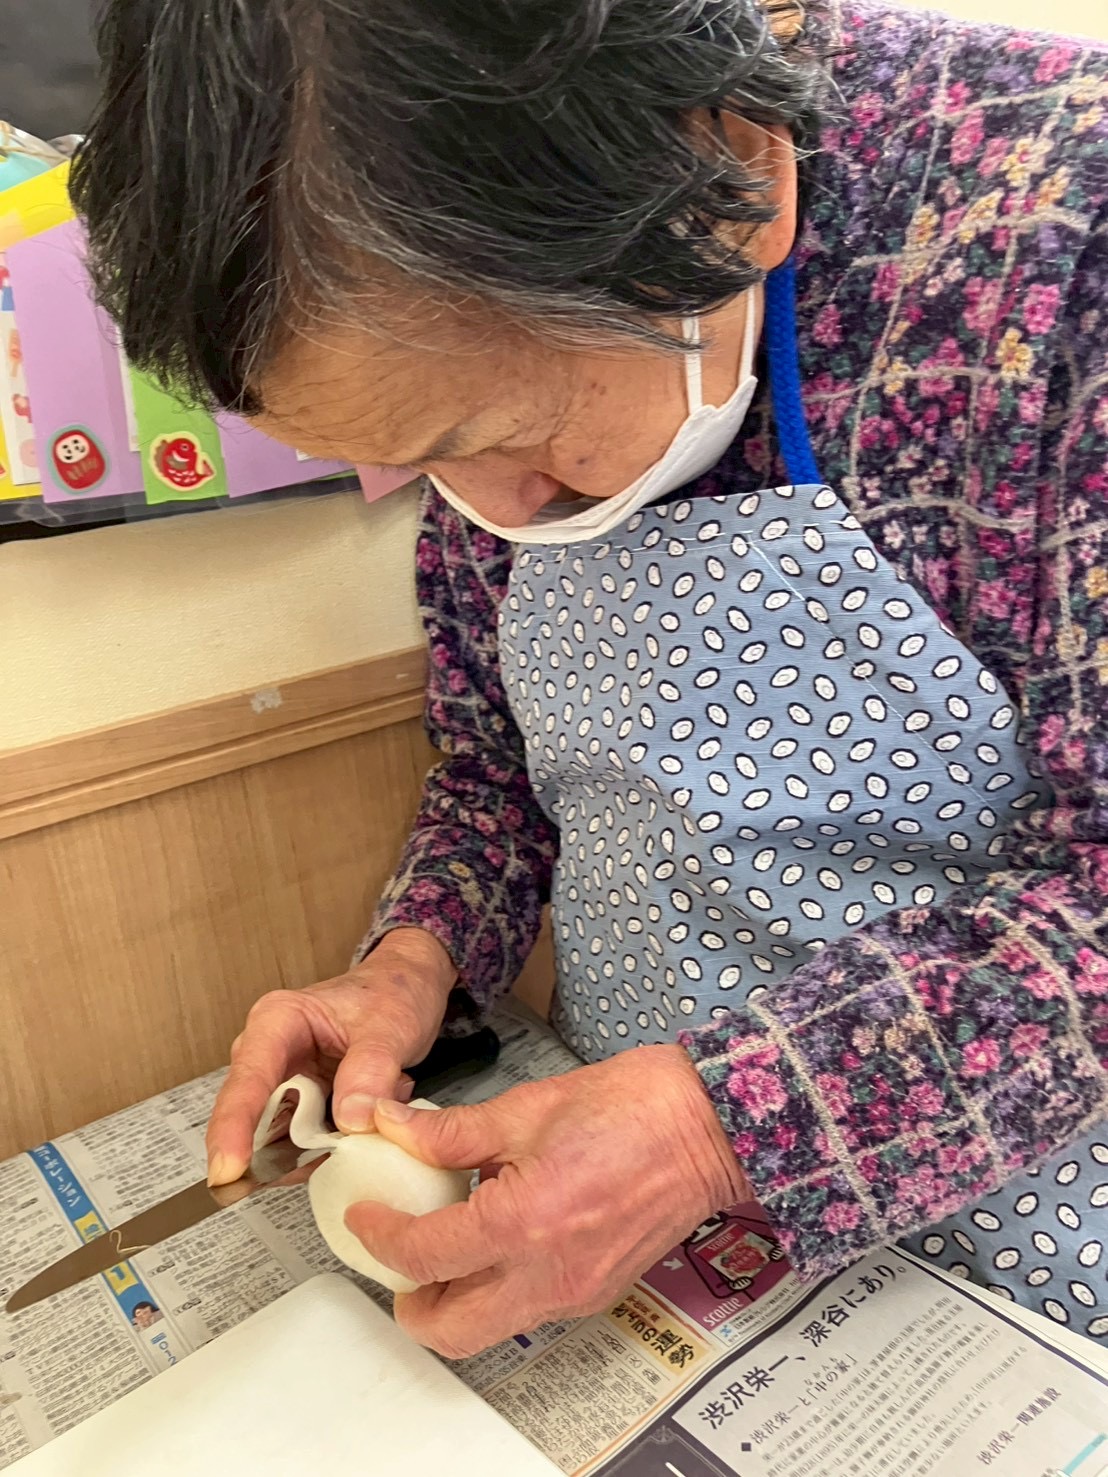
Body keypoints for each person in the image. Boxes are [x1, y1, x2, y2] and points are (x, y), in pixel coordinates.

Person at [72, 0, 1106, 1358]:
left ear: (733, 172)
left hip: (1035, 1273)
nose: (492, 512)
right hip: (648, 1248)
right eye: (417, 463)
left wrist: (714, 1128)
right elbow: (502, 771)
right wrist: (417, 958)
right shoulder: (481, 385)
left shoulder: (1056, 230)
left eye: (503, 433)